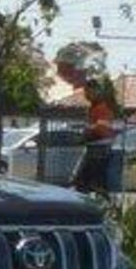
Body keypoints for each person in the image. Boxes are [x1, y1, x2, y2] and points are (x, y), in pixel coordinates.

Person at [53, 42, 121, 199]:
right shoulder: (95, 107)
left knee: (84, 180)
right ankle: (102, 201)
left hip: (98, 149)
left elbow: (102, 131)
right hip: (96, 148)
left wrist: (85, 135)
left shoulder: (101, 108)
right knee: (95, 181)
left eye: (89, 91)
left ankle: (86, 203)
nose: (87, 95)